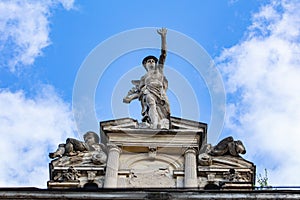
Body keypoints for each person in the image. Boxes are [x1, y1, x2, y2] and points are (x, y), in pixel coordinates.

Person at [123, 28, 170, 129]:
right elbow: (139, 91)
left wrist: (163, 37)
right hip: (149, 92)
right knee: (151, 103)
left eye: (153, 61)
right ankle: (154, 124)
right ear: (145, 65)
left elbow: (164, 54)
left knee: (165, 112)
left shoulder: (159, 71)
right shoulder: (144, 78)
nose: (151, 62)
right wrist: (130, 97)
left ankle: (161, 123)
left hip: (160, 92)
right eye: (149, 61)